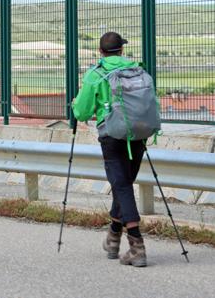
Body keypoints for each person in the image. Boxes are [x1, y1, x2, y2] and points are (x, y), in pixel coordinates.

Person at [72, 32, 147, 267]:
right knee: (122, 185)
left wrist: (75, 106)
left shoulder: (96, 73)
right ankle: (114, 236)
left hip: (112, 136)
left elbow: (82, 112)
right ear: (121, 50)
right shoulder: (137, 69)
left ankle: (137, 246)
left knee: (121, 185)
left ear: (101, 52)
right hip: (138, 134)